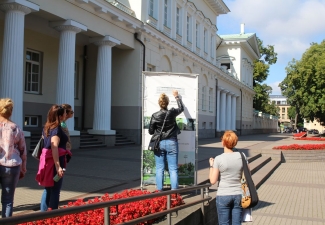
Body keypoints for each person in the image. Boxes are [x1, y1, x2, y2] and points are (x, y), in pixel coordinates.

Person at [36, 104, 72, 211]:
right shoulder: (57, 129)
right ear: (60, 116)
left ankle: (43, 214)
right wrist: (58, 167)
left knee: (48, 188)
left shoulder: (48, 127)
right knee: (55, 190)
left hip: (48, 161)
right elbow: (54, 147)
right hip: (55, 161)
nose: (66, 114)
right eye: (65, 113)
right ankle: (53, 215)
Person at [149, 90, 184, 191]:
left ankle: (159, 192)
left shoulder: (155, 115)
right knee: (173, 168)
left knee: (159, 168)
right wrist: (177, 97)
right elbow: (181, 108)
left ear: (159, 103)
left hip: (159, 143)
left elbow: (151, 131)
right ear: (167, 103)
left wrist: (158, 129)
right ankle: (174, 193)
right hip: (172, 142)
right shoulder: (172, 113)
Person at [209, 130, 245, 225]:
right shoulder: (242, 156)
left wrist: (211, 166)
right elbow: (247, 174)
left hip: (223, 195)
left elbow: (212, 180)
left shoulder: (219, 159)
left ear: (223, 142)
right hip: (238, 194)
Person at [0, 98, 27, 217]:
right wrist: (23, 168)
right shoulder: (15, 127)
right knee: (8, 200)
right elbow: (23, 150)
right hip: (12, 166)